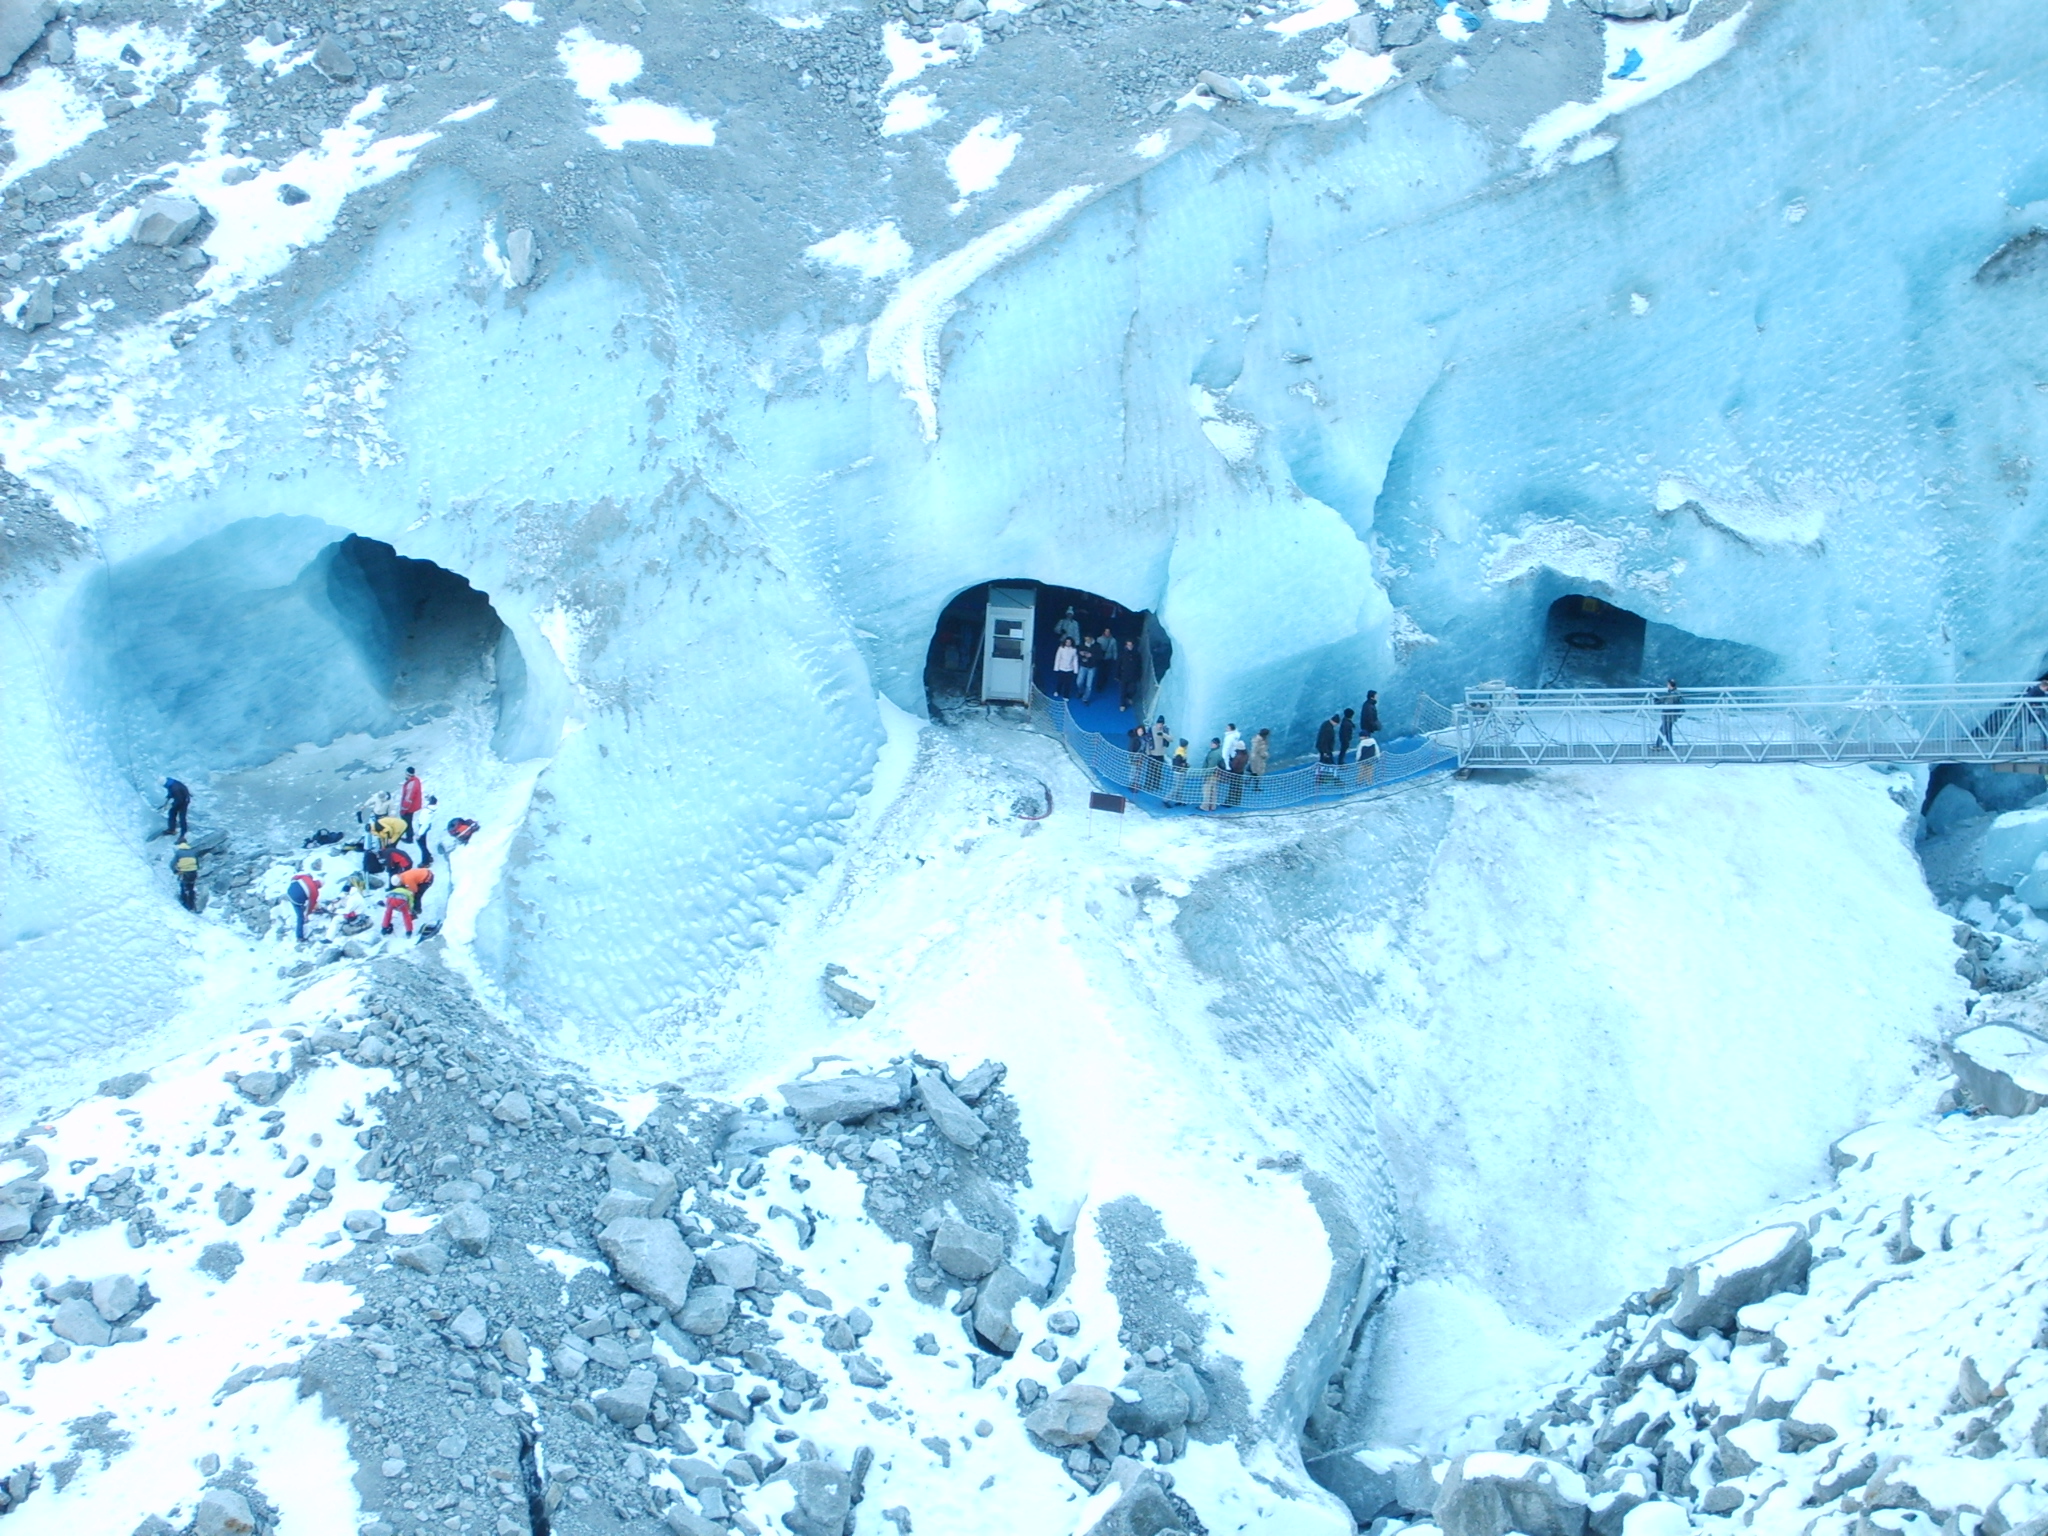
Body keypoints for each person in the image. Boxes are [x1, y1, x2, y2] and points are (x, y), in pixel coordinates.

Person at [286, 870, 321, 943]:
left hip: (289, 892)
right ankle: (299, 937)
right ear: (319, 886)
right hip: (296, 901)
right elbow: (311, 905)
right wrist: (307, 914)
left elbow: (294, 877)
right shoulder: (315, 893)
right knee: (300, 917)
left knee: (303, 899)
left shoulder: (306, 877)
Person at [170, 839, 201, 911]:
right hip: (193, 872)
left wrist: (175, 871)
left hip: (184, 872)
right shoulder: (193, 851)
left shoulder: (178, 852)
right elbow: (197, 863)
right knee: (191, 887)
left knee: (183, 886)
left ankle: (184, 903)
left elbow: (172, 864)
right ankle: (192, 904)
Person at [1657, 679, 1683, 752]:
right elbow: (1666, 699)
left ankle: (1661, 745)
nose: (1667, 685)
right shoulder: (1673, 693)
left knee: (1664, 730)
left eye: (1668, 684)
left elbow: (1668, 701)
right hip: (1669, 714)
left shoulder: (1674, 694)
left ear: (1670, 685)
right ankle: (1666, 745)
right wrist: (1659, 700)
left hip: (1669, 714)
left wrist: (1660, 700)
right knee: (1666, 730)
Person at [399, 767, 424, 840]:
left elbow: (408, 800)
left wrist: (403, 810)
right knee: (408, 821)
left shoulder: (411, 785)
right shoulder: (416, 780)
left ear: (408, 774)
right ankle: (410, 833)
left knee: (406, 822)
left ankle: (409, 838)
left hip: (410, 807)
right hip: (414, 805)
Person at [1200, 738, 1225, 811]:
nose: (1211, 744)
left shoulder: (1214, 754)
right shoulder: (1219, 751)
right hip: (1216, 775)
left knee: (1207, 791)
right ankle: (1212, 806)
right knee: (1213, 791)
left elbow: (1211, 766)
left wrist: (1205, 775)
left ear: (1217, 744)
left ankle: (1205, 806)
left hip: (1211, 775)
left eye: (1213, 743)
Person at [1226, 729, 1249, 806]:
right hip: (1241, 772)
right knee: (1238, 788)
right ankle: (1237, 801)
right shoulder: (1246, 755)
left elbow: (1234, 766)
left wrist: (1230, 761)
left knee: (1233, 788)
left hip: (1235, 773)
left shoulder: (1238, 756)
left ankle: (1229, 802)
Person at [1118, 639, 1143, 711]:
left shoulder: (1137, 654)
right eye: (1128, 645)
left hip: (1133, 675)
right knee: (1123, 690)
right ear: (1126, 646)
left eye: (1131, 645)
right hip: (1124, 675)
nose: (1130, 646)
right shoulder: (1122, 654)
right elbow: (1118, 665)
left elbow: (1139, 665)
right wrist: (1117, 675)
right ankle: (1122, 704)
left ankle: (1129, 697)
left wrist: (1139, 675)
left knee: (1133, 689)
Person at [1076, 636, 1101, 705]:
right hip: (1083, 666)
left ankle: (1085, 698)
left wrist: (1092, 655)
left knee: (1089, 685)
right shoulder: (1082, 645)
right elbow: (1078, 653)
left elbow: (1100, 656)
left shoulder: (1097, 646)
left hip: (1092, 668)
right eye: (1086, 639)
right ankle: (1080, 691)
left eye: (1088, 639)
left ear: (1091, 638)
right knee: (1079, 682)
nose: (1087, 641)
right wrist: (1081, 654)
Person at [1167, 738, 1191, 804]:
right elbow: (1177, 763)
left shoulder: (1180, 750)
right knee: (1177, 787)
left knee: (1180, 786)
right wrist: (1186, 765)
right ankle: (1166, 799)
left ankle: (1179, 800)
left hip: (1180, 771)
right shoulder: (1180, 753)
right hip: (1179, 772)